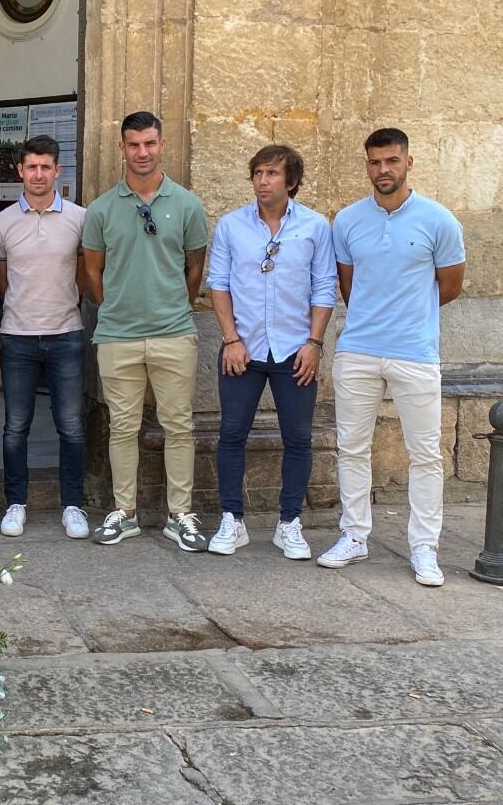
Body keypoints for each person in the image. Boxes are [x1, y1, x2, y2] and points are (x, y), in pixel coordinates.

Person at [317, 128, 465, 586]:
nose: (384, 170)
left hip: (415, 352)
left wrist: (408, 313)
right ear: (367, 165)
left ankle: (424, 547)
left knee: (425, 455)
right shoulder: (347, 221)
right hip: (358, 349)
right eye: (375, 162)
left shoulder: (439, 221)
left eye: (392, 161)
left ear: (408, 163)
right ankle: (354, 535)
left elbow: (451, 285)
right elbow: (348, 284)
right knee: (351, 448)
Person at [83, 111, 211, 552]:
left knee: (179, 426)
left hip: (174, 331)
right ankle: (125, 512)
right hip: (117, 335)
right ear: (122, 148)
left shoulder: (188, 205)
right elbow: (93, 272)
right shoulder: (101, 209)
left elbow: (195, 266)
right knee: (122, 427)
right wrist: (116, 309)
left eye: (150, 144)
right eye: (134, 144)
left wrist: (173, 303)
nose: (142, 152)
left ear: (162, 145)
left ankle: (181, 514)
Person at [207, 145, 336, 558]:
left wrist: (314, 344)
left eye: (272, 174)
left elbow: (323, 287)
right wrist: (230, 339)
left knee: (298, 438)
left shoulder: (316, 227)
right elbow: (218, 283)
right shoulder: (231, 226)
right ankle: (233, 519)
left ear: (291, 181)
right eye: (258, 173)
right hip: (242, 349)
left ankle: (289, 523)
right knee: (231, 434)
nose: (263, 181)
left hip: (294, 350)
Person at [0, 136, 89, 539]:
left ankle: (73, 505)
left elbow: (85, 272)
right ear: (20, 171)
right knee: (15, 426)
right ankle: (16, 503)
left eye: (46, 167)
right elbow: (0, 282)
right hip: (18, 335)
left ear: (57, 170)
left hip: (66, 333)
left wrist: (67, 301)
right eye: (31, 167)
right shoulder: (2, 222)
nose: (38, 174)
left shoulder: (80, 218)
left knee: (71, 426)